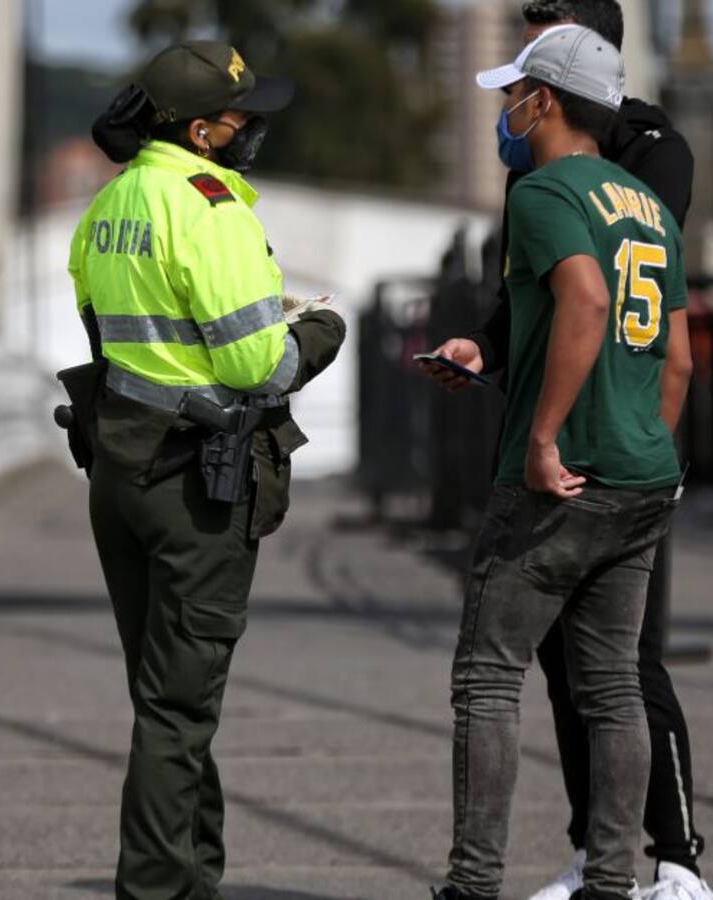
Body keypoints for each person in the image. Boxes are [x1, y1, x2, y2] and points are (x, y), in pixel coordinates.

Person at [420, 2, 708, 898]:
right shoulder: (650, 207)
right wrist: (644, 452)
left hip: (559, 476)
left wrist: (543, 438)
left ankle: (473, 885)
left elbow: (582, 301)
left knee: (488, 678)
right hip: (640, 477)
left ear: (545, 103)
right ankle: (615, 881)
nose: (508, 105)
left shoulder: (546, 193)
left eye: (516, 91)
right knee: (615, 684)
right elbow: (680, 353)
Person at [65, 41, 346, 900]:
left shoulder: (110, 204)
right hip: (199, 484)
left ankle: (194, 878)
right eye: (241, 116)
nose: (251, 127)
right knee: (179, 709)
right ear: (201, 130)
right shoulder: (210, 206)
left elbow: (101, 324)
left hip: (122, 469)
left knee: (168, 703)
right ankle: (154, 888)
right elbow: (257, 366)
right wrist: (317, 336)